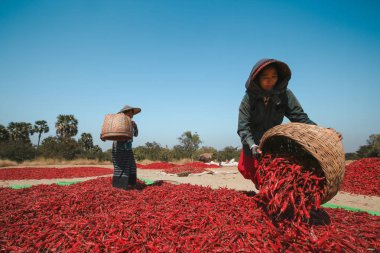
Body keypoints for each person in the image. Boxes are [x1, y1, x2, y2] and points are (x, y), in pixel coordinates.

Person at [237, 58, 341, 187]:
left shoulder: (285, 95)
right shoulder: (248, 98)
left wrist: (322, 131)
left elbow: (300, 117)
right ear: (257, 79)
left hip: (271, 141)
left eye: (274, 76)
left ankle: (269, 194)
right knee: (247, 169)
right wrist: (252, 145)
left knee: (270, 175)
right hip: (252, 142)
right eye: (265, 77)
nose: (270, 81)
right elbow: (243, 127)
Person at [111, 105, 141, 190]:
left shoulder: (133, 123)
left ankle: (131, 184)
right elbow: (112, 132)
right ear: (125, 113)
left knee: (132, 166)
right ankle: (119, 186)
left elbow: (136, 134)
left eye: (132, 112)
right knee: (121, 166)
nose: (132, 114)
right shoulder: (119, 122)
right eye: (130, 112)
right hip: (119, 147)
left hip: (128, 147)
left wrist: (134, 126)